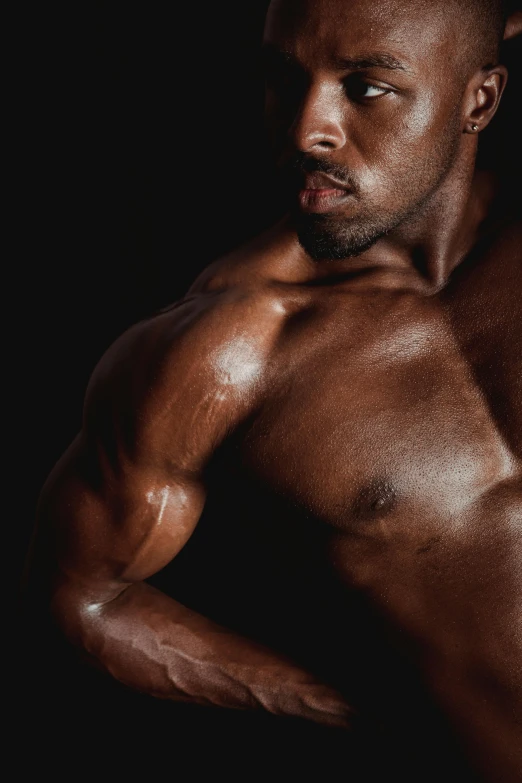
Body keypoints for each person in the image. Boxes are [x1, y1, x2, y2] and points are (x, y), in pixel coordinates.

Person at [25, 0, 521, 779]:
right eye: (283, 81)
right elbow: (78, 595)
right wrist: (340, 705)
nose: (306, 132)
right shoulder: (227, 348)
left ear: (479, 100)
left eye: (367, 88)